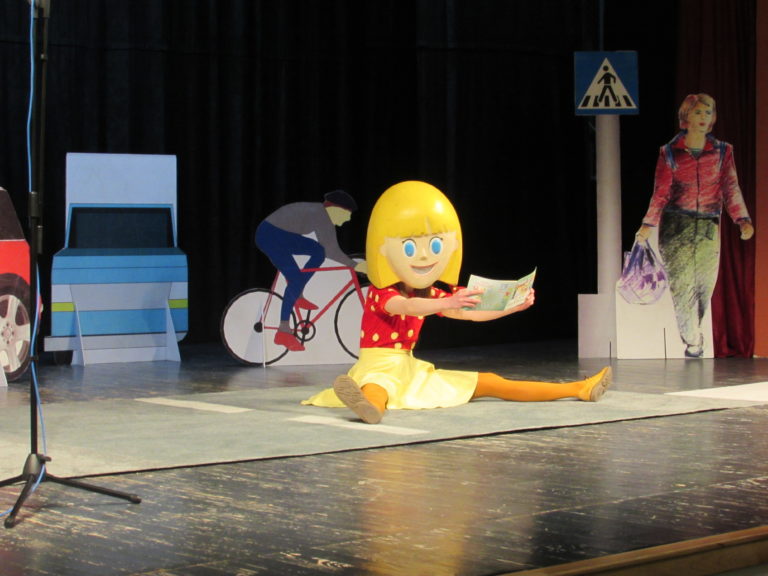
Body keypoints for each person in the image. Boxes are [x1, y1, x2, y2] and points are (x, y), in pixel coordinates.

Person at [303, 181, 611, 424]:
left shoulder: (430, 294)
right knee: (378, 387)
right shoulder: (381, 293)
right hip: (376, 366)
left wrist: (510, 307)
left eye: (434, 246)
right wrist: (448, 301)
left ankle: (578, 389)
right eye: (410, 248)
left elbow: (471, 315)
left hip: (409, 367)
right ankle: (369, 407)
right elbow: (407, 307)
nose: (424, 257)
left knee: (490, 382)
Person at [636, 94, 754, 358]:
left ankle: (694, 333)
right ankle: (692, 340)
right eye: (698, 112)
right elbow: (661, 193)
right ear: (686, 116)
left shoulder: (723, 151)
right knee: (682, 286)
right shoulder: (669, 152)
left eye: (708, 112)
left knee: (703, 287)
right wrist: (648, 223)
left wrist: (742, 219)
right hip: (676, 226)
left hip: (709, 226)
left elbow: (730, 187)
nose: (703, 117)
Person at [255, 190, 368, 351]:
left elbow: (329, 249)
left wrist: (353, 264)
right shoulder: (320, 215)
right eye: (347, 214)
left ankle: (298, 292)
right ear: (335, 209)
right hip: (270, 235)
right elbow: (332, 250)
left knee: (318, 251)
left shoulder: (322, 214)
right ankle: (283, 331)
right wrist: (355, 265)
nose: (348, 219)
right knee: (296, 278)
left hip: (280, 234)